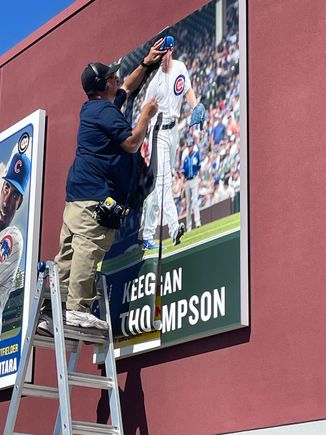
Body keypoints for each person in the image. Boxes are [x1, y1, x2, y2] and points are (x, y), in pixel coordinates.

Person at [37, 40, 164, 335]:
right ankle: (77, 310)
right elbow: (132, 143)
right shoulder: (105, 113)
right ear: (103, 84)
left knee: (67, 256)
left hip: (77, 197)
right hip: (94, 196)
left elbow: (127, 89)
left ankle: (50, 314)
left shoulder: (95, 108)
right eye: (112, 77)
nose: (117, 78)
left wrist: (145, 63)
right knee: (88, 247)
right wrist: (145, 115)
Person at [142, 36, 198, 250]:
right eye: (160, 53)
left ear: (171, 50)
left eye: (166, 51)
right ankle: (174, 228)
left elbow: (188, 90)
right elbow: (144, 113)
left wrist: (195, 107)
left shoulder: (180, 67)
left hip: (174, 129)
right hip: (158, 132)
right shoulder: (155, 82)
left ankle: (147, 236)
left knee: (161, 185)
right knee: (164, 182)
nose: (163, 56)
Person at [0, 152, 31, 337]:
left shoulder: (12, 238)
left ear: (20, 203)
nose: (5, 202)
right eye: (6, 188)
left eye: (14, 195)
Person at [182, 138, 201, 232]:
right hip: (187, 181)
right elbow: (183, 172)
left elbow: (198, 167)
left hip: (194, 179)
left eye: (190, 146)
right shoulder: (186, 159)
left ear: (193, 146)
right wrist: (183, 183)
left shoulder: (196, 155)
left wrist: (199, 179)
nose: (189, 148)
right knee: (188, 204)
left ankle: (197, 222)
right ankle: (188, 226)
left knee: (195, 201)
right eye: (188, 146)